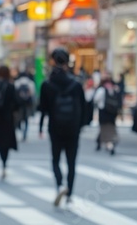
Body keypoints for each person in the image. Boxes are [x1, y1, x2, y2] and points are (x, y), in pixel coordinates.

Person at [39, 48, 87, 207]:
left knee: (55, 159)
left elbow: (43, 108)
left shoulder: (47, 84)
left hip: (55, 127)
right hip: (73, 128)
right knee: (71, 161)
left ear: (53, 61)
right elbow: (85, 107)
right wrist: (80, 125)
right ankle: (70, 193)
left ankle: (59, 184)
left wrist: (40, 127)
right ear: (67, 62)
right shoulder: (76, 84)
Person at [93, 75, 120, 155]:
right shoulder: (114, 89)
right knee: (108, 129)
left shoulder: (101, 90)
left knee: (105, 129)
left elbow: (95, 99)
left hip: (104, 113)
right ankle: (101, 142)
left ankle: (109, 145)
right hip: (112, 114)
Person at [14, 71, 36, 141]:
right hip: (27, 104)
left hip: (19, 104)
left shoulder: (17, 82)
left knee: (19, 118)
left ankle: (20, 129)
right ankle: (25, 134)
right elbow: (32, 94)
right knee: (26, 119)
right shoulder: (30, 83)